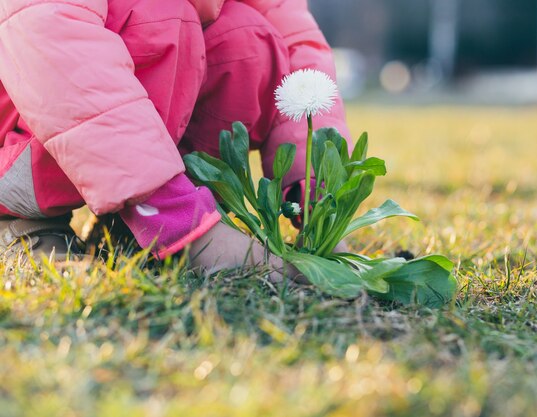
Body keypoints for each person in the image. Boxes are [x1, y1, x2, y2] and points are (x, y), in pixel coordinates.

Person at [0, 0, 351, 277]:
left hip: (110, 130)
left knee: (246, 37)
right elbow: (53, 42)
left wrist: (319, 192)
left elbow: (295, 43)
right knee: (161, 16)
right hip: (18, 122)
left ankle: (140, 225)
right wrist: (174, 215)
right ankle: (18, 220)